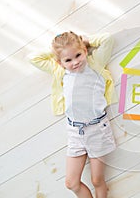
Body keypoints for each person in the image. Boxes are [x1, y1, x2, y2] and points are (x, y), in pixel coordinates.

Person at [30, 31, 117, 198]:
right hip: (75, 132)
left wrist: (86, 41)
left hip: (97, 129)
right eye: (68, 60)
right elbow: (33, 58)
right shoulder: (60, 71)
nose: (75, 62)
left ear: (85, 50)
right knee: (71, 183)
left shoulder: (95, 63)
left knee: (97, 180)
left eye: (78, 55)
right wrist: (58, 51)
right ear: (60, 62)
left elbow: (109, 39)